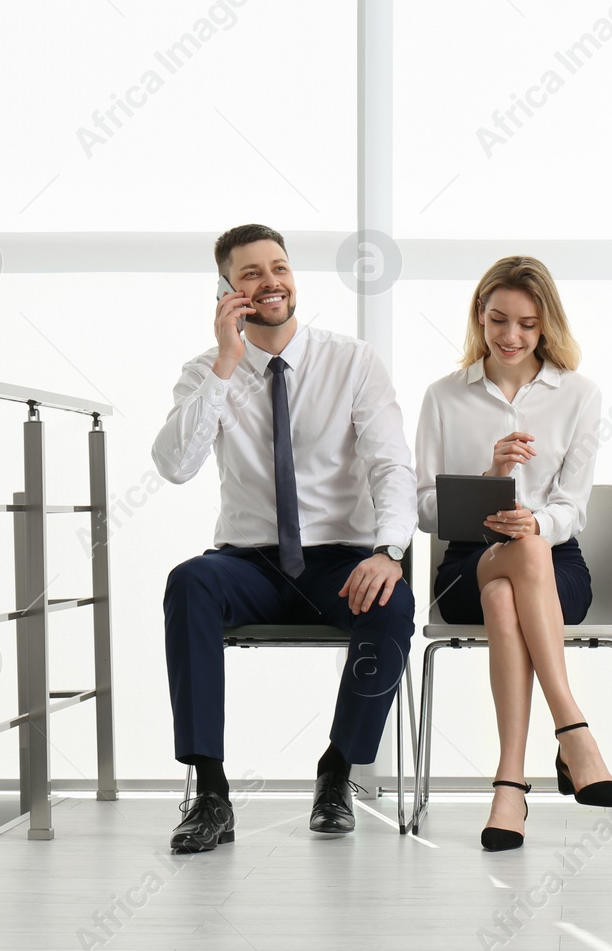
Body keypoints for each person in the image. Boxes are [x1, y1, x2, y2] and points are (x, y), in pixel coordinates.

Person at [153, 223, 417, 852]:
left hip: (340, 561)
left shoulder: (351, 362)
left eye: (279, 267)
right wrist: (224, 364)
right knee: (189, 582)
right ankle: (211, 792)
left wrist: (388, 552)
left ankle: (338, 770)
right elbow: (174, 465)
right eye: (250, 273)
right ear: (226, 290)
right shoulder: (203, 373)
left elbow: (391, 466)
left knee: (393, 600)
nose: (270, 281)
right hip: (248, 564)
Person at [414, 256, 612, 852]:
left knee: (514, 579)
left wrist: (535, 520)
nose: (510, 337)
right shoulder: (444, 397)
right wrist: (490, 475)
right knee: (511, 564)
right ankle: (572, 730)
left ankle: (509, 785)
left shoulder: (579, 395)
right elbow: (424, 510)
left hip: (557, 566)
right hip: (464, 564)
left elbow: (573, 508)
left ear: (546, 325)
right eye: (498, 320)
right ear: (479, 315)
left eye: (528, 324)